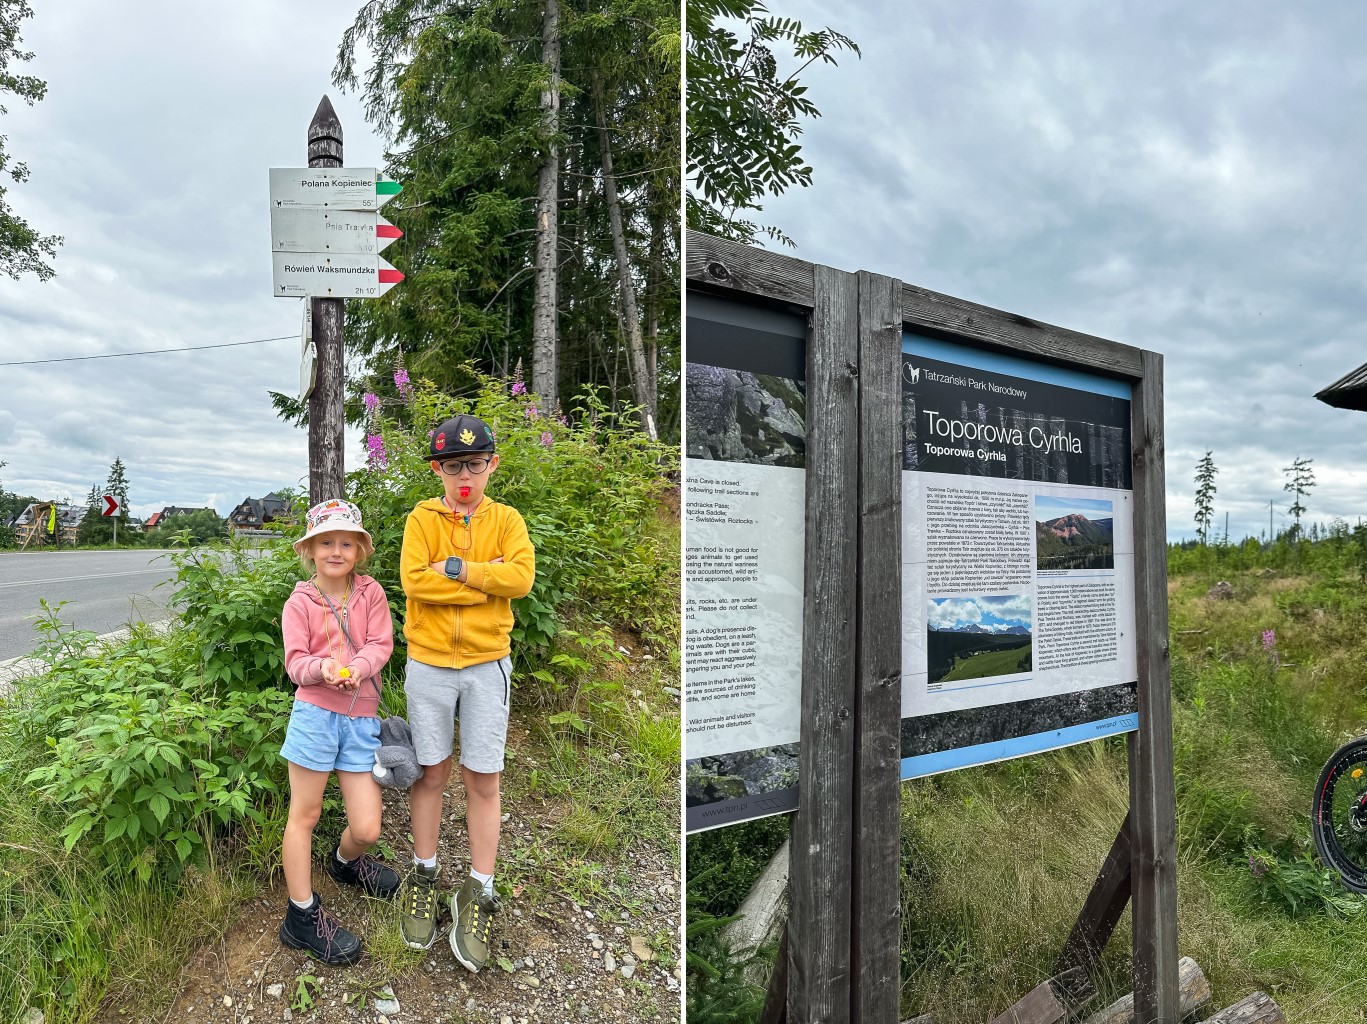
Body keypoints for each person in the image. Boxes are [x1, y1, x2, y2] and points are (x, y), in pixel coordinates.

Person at [396, 413, 536, 971]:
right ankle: (425, 872)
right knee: (431, 772)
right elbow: (413, 581)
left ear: (491, 465)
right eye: (454, 465)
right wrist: (484, 582)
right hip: (428, 664)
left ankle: (479, 888)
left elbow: (521, 578)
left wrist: (456, 570)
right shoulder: (420, 519)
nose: (465, 476)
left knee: (484, 777)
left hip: (487, 667)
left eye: (475, 465)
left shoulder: (508, 519)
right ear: (438, 469)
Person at [278, 498, 399, 965]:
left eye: (346, 542)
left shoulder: (371, 594)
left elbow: (380, 644)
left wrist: (355, 668)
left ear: (359, 550)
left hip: (362, 716)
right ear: (310, 549)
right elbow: (294, 663)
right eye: (326, 541)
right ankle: (301, 915)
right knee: (303, 815)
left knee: (367, 827)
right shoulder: (299, 602)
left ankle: (346, 863)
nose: (336, 550)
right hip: (314, 715)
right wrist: (321, 668)